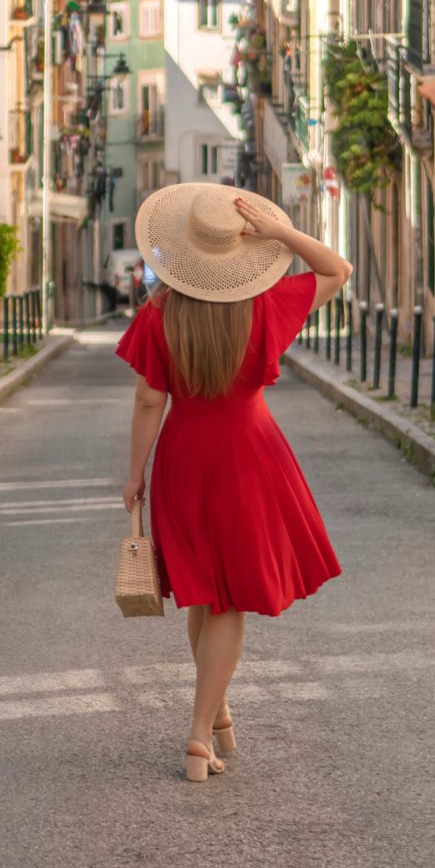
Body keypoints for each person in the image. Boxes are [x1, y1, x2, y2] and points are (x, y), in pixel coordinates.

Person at [116, 183, 351, 782]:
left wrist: (135, 474)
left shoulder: (159, 314)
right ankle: (200, 735)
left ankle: (216, 708)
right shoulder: (267, 305)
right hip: (249, 452)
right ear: (240, 252)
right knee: (227, 598)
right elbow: (337, 270)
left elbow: (149, 402)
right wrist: (283, 235)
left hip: (183, 455)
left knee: (204, 590)